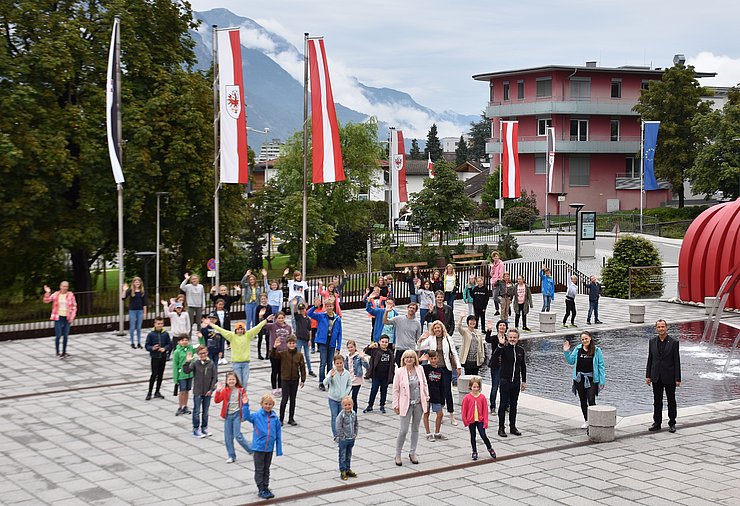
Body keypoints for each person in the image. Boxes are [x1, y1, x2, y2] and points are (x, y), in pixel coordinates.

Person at [418, 320, 461, 426]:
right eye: (435, 328)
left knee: (447, 391)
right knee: (438, 391)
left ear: (442, 328)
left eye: (439, 328)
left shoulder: (448, 338)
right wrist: (420, 339)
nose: (437, 330)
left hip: (446, 368)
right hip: (434, 367)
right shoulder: (431, 339)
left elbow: (454, 353)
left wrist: (458, 366)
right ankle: (440, 413)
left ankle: (451, 415)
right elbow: (420, 347)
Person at [392, 349, 430, 466]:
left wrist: (426, 397)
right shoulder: (399, 372)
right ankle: (398, 454)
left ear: (415, 359)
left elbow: (424, 383)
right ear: (403, 359)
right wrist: (395, 404)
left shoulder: (420, 369)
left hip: (418, 403)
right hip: (405, 403)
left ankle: (412, 452)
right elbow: (395, 389)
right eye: (407, 357)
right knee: (403, 430)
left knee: (415, 429)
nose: (409, 359)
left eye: (411, 357)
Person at [242, 393, 282, 500]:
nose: (268, 406)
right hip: (259, 448)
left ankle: (266, 486)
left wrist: (278, 449)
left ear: (273, 405)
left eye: (270, 404)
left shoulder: (275, 418)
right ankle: (261, 488)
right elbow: (246, 416)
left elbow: (278, 434)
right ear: (261, 404)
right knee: (259, 469)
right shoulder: (257, 416)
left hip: (269, 448)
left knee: (267, 469)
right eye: (266, 404)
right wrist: (245, 405)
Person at [211, 318, 269, 390]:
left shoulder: (247, 335)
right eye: (238, 329)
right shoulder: (232, 336)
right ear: (236, 330)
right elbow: (222, 330)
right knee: (239, 382)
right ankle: (238, 397)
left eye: (241, 329)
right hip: (236, 363)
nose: (240, 331)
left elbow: (257, 328)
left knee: (245, 382)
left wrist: (265, 320)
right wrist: (211, 325)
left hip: (245, 363)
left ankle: (243, 397)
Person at [563, 331, 606, 428]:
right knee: (583, 400)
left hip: (591, 379)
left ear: (590, 338)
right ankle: (587, 420)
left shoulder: (597, 350)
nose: (584, 341)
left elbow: (601, 366)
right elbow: (571, 361)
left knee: (591, 399)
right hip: (579, 379)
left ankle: (594, 420)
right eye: (582, 339)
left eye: (586, 338)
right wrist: (566, 352)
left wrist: (602, 380)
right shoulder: (578, 349)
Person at [646, 319, 681, 433]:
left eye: (663, 327)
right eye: (659, 327)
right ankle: (657, 422)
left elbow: (677, 361)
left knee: (671, 400)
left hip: (669, 376)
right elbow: (650, 359)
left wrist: (678, 378)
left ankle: (672, 422)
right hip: (656, 376)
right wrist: (648, 375)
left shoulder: (674, 342)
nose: (661, 329)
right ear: (656, 329)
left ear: (666, 328)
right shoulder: (652, 342)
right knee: (657, 400)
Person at [492, 328, 526, 437]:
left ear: (518, 338)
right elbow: (495, 356)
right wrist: (500, 345)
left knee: (514, 405)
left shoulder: (520, 350)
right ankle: (501, 428)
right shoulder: (504, 348)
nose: (512, 339)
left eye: (514, 337)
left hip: (515, 381)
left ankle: (513, 426)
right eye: (510, 337)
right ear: (507, 338)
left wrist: (524, 381)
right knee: (503, 404)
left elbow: (523, 366)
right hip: (505, 381)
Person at [214, 372, 252, 463]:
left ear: (236, 380)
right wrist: (218, 391)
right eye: (229, 379)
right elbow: (217, 400)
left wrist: (244, 415)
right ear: (227, 381)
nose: (231, 381)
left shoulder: (241, 390)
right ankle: (231, 455)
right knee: (228, 437)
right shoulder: (225, 390)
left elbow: (245, 402)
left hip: (237, 414)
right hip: (228, 415)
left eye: (233, 379)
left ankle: (251, 450)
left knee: (237, 435)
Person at [182, 345, 218, 438]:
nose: (202, 355)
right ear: (197, 354)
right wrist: (187, 361)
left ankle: (204, 427)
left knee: (206, 411)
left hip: (207, 392)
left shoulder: (211, 363)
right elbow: (186, 371)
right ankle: (195, 429)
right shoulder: (195, 363)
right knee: (196, 411)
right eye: (200, 353)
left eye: (204, 353)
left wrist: (211, 390)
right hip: (198, 391)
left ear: (207, 353)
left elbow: (214, 378)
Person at [270, 335, 306, 426]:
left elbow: (302, 367)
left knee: (293, 400)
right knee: (284, 399)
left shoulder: (299, 355)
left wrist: (303, 379)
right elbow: (273, 356)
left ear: (295, 344)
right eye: (290, 343)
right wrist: (274, 347)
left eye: (293, 343)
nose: (291, 345)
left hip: (295, 379)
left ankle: (291, 418)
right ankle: (281, 419)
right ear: (287, 344)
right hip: (285, 379)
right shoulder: (283, 354)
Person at [308, 298, 343, 390]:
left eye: (331, 306)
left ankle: (329, 381)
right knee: (323, 363)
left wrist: (338, 346)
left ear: (333, 307)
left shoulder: (337, 319)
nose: (329, 308)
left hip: (331, 343)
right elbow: (309, 314)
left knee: (330, 364)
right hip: (323, 342)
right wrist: (315, 306)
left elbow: (339, 333)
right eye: (327, 306)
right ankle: (321, 382)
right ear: (325, 307)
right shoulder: (321, 316)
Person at [461, 377, 497, 461]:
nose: (476, 389)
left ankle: (490, 448)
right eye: (474, 387)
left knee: (483, 435)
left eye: (477, 387)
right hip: (471, 420)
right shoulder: (467, 398)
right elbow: (464, 410)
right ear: (470, 387)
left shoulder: (482, 397)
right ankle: (474, 451)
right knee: (472, 436)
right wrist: (465, 420)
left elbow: (485, 410)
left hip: (480, 420)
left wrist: (485, 421)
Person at [43, 281, 77, 359]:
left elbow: (74, 307)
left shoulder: (70, 295)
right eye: (63, 286)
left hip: (67, 317)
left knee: (65, 335)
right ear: (60, 286)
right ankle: (57, 352)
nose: (64, 288)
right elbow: (46, 300)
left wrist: (72, 317)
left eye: (66, 286)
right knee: (58, 335)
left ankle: (64, 352)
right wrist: (47, 293)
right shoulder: (56, 295)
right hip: (58, 317)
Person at [382, 301, 422, 366]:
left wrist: (418, 354)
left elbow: (418, 340)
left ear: (416, 311)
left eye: (413, 308)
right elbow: (385, 322)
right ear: (407, 308)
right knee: (400, 368)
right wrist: (386, 311)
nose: (411, 309)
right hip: (400, 349)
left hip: (411, 349)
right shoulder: (399, 318)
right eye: (410, 308)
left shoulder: (417, 323)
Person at [362, 335, 395, 414]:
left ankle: (382, 405)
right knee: (374, 390)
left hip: (385, 376)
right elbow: (366, 351)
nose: (384, 344)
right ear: (379, 342)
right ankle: (370, 405)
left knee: (384, 391)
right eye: (382, 342)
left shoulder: (390, 352)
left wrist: (391, 375)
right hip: (376, 375)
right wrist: (370, 346)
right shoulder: (376, 350)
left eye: (386, 342)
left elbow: (392, 365)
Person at [264, 312, 293, 396]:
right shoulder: (273, 326)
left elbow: (290, 339)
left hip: (284, 352)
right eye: (279, 318)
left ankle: (280, 387)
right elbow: (262, 325)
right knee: (274, 370)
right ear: (276, 318)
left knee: (281, 371)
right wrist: (264, 318)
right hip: (275, 352)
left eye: (282, 318)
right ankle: (274, 388)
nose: (280, 320)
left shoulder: (288, 327)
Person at [323, 354, 352, 438]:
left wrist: (345, 394)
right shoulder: (332, 372)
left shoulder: (346, 373)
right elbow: (325, 383)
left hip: (343, 399)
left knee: (342, 417)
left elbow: (349, 384)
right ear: (334, 364)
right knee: (334, 416)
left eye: (341, 363)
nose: (339, 365)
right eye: (337, 363)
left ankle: (342, 433)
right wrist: (330, 377)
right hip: (333, 398)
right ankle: (336, 434)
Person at [144, 317, 171, 400]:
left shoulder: (165, 334)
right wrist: (152, 348)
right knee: (154, 374)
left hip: (162, 357)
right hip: (155, 357)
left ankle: (157, 391)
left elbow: (169, 344)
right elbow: (147, 346)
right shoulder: (151, 334)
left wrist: (165, 349)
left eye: (161, 324)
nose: (160, 325)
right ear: (155, 324)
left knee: (160, 375)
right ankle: (149, 392)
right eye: (158, 324)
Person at [420, 350, 446, 441]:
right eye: (431, 358)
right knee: (426, 413)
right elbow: (416, 366)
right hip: (427, 395)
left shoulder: (440, 371)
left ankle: (437, 432)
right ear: (429, 359)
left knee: (440, 414)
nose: (433, 360)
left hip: (437, 395)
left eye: (435, 358)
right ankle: (428, 433)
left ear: (438, 359)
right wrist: (421, 359)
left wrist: (443, 400)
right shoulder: (425, 368)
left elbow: (442, 386)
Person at [485, 320, 507, 414]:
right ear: (497, 327)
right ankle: (493, 406)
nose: (502, 327)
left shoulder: (508, 338)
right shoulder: (494, 338)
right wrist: (489, 330)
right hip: (496, 365)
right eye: (500, 325)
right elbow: (487, 339)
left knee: (505, 387)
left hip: (506, 365)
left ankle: (506, 405)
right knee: (495, 386)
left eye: (504, 325)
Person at [335, 396, 359, 481]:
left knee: (349, 455)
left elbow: (356, 424)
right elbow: (338, 426)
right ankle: (343, 470)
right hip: (344, 439)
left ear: (352, 405)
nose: (348, 407)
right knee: (342, 455)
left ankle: (348, 469)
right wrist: (342, 436)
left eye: (349, 405)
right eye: (345, 405)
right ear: (342, 406)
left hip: (351, 438)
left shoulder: (353, 414)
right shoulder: (341, 415)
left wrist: (355, 434)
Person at [122, 276, 148, 349]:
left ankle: (139, 342)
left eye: (138, 282)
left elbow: (144, 303)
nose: (137, 283)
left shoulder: (142, 291)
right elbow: (123, 298)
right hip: (132, 310)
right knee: (132, 327)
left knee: (139, 328)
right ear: (133, 283)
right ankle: (132, 342)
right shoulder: (130, 291)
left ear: (140, 283)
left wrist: (145, 313)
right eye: (136, 282)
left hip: (140, 311)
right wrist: (124, 290)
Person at [172, 334, 194, 416]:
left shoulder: (190, 348)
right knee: (182, 391)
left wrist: (201, 338)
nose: (184, 342)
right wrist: (175, 378)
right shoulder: (177, 352)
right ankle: (180, 406)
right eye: (182, 340)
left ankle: (185, 405)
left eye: (186, 340)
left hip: (190, 374)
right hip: (181, 374)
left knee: (187, 390)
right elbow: (175, 365)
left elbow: (201, 346)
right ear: (179, 342)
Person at [293, 302, 316, 377]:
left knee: (307, 356)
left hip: (306, 339)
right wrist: (294, 305)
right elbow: (295, 312)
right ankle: (296, 369)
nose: (301, 311)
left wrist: (310, 340)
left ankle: (310, 370)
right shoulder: (298, 317)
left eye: (303, 309)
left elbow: (310, 330)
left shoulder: (308, 319)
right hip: (299, 338)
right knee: (297, 354)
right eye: (300, 310)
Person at [345, 340, 369, 412]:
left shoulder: (358, 356)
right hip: (349, 379)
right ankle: (347, 411)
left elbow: (367, 366)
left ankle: (354, 413)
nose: (350, 349)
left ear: (355, 347)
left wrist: (363, 358)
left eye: (351, 347)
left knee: (354, 397)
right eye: (348, 347)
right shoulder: (347, 357)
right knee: (346, 397)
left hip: (357, 379)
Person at [254, 292, 273, 360]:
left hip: (267, 324)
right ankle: (259, 354)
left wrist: (270, 325)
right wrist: (256, 326)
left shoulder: (269, 307)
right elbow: (256, 317)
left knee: (267, 339)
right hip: (260, 324)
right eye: (262, 299)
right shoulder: (258, 307)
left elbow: (270, 316)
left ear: (267, 299)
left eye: (264, 299)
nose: (263, 300)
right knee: (260, 339)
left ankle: (268, 354)